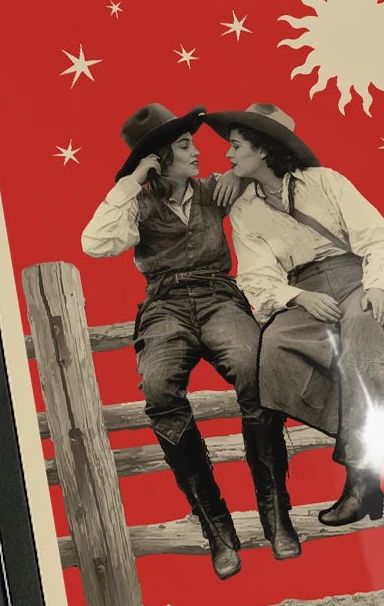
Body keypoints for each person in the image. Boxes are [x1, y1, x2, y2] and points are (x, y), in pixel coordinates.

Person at [80, 103, 300, 576]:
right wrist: (130, 181)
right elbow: (94, 243)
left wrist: (240, 178)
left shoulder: (214, 191)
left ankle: (276, 516)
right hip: (164, 305)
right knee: (158, 389)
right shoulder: (135, 204)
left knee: (254, 367)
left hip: (219, 295)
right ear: (160, 158)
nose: (198, 151)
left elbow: (262, 178)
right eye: (185, 146)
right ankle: (217, 530)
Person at [210, 102, 384, 526]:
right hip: (306, 292)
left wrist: (379, 284)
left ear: (263, 150)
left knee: (360, 341)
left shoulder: (324, 182)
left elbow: (376, 235)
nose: (227, 155)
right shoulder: (244, 210)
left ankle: (360, 481)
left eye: (235, 146)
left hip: (358, 279)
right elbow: (257, 276)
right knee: (274, 350)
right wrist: (298, 297)